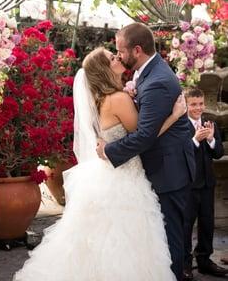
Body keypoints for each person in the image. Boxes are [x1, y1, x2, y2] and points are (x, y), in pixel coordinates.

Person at [14, 46, 186, 281]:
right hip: (125, 179)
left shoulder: (103, 99)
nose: (118, 57)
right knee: (127, 243)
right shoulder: (119, 99)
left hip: (108, 174)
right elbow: (145, 137)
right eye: (111, 57)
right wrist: (175, 116)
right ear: (104, 69)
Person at [96, 23, 196, 281]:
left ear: (137, 50)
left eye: (121, 51)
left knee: (170, 237)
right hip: (161, 165)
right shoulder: (146, 72)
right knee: (159, 236)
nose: (118, 56)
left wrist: (109, 150)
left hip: (169, 170)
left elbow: (144, 136)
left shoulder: (157, 82)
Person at [183, 87, 227, 280]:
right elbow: (180, 156)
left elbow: (218, 153)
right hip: (189, 186)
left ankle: (204, 260)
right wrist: (194, 140)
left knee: (207, 224)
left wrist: (210, 139)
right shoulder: (181, 127)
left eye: (200, 103)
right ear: (185, 105)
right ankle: (185, 263)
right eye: (193, 104)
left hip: (208, 184)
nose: (198, 108)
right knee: (186, 225)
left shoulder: (212, 124)